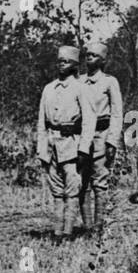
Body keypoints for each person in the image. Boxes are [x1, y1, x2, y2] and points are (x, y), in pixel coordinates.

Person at [36, 45, 94, 239]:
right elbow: (41, 123)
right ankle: (57, 231)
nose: (61, 64)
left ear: (75, 65)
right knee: (56, 191)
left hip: (72, 145)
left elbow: (89, 120)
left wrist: (84, 149)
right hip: (52, 146)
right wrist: (41, 150)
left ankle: (68, 231)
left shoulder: (81, 88)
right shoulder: (48, 89)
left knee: (72, 190)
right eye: (59, 60)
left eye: (66, 61)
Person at [78, 41, 123, 235]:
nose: (89, 58)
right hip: (81, 137)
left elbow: (117, 113)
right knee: (82, 181)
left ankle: (99, 226)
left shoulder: (109, 82)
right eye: (87, 55)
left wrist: (112, 140)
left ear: (102, 60)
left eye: (94, 56)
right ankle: (87, 225)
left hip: (101, 134)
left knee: (100, 181)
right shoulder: (78, 81)